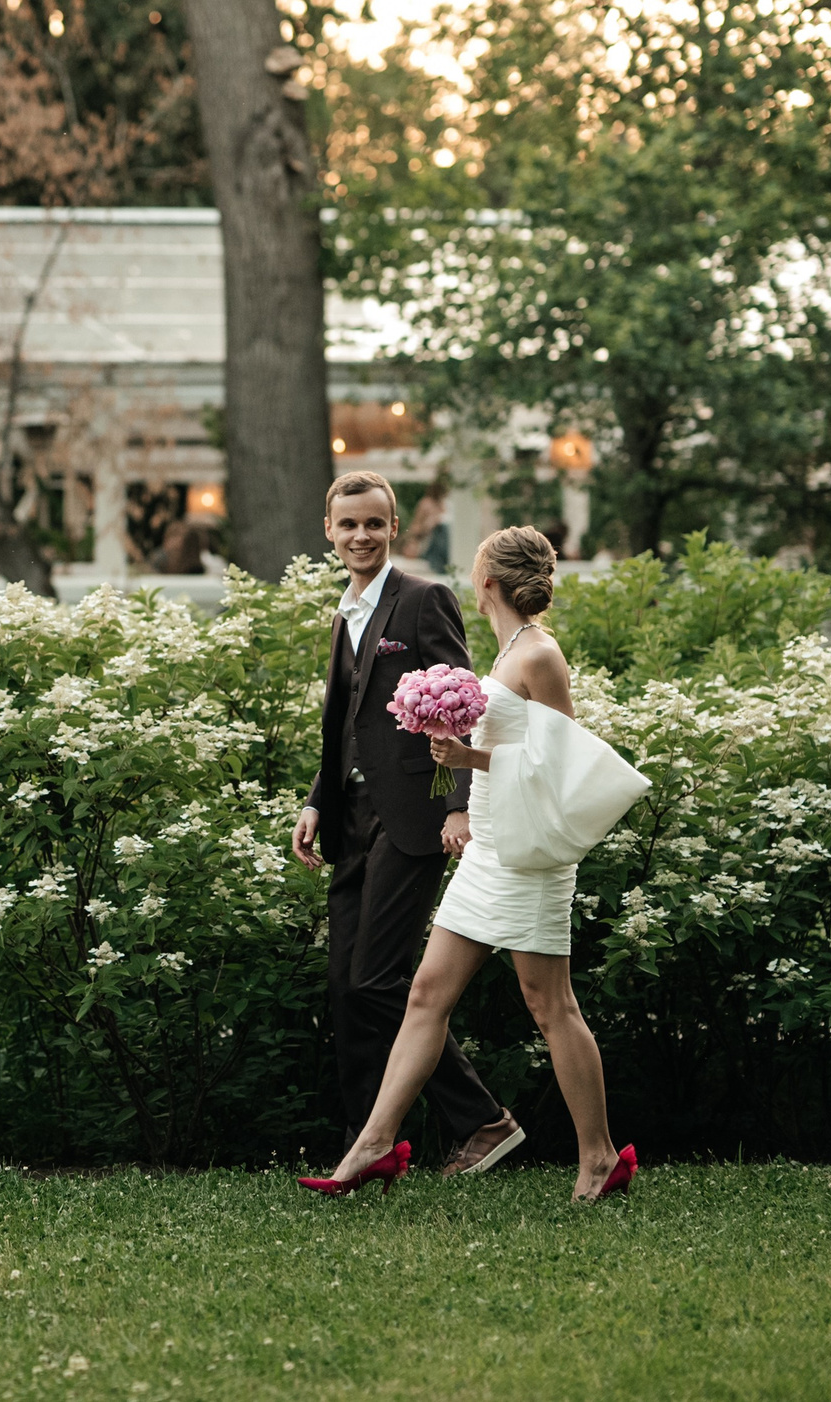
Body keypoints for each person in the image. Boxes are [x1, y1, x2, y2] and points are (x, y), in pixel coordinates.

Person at [309, 526, 635, 1204]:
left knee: (551, 1005)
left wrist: (470, 758)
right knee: (425, 994)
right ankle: (371, 1147)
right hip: (488, 851)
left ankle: (600, 1158)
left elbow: (563, 765)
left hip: (530, 857)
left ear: (487, 582)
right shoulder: (509, 647)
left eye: (475, 566)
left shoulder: (539, 654)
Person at [289, 472, 519, 1186]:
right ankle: (371, 1149)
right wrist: (317, 799)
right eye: (348, 524)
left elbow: (462, 704)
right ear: (328, 530)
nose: (361, 536)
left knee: (380, 980)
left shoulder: (423, 600)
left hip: (415, 817)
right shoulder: (343, 614)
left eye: (374, 524)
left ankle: (484, 1120)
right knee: (346, 988)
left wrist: (457, 805)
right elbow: (344, 723)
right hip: (350, 818)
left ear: (394, 529)